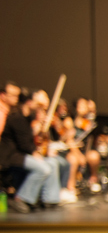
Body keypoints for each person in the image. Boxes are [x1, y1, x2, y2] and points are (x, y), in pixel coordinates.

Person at [2, 83, 66, 212]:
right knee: (43, 168)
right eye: (37, 106)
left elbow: (30, 139)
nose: (40, 110)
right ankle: (21, 198)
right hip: (12, 156)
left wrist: (40, 128)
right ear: (29, 103)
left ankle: (50, 199)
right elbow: (24, 144)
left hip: (23, 154)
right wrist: (35, 153)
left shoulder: (27, 118)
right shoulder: (16, 118)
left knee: (53, 163)